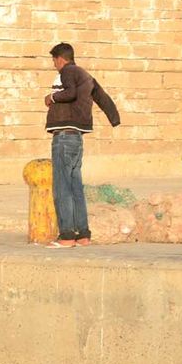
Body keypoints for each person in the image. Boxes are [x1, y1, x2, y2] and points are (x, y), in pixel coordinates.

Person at [44, 42, 121, 246]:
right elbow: (102, 98)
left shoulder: (68, 71)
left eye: (54, 60)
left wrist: (51, 97)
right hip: (77, 137)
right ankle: (83, 234)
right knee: (75, 187)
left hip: (64, 137)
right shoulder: (86, 76)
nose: (54, 65)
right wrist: (115, 119)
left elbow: (70, 93)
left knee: (62, 187)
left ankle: (67, 235)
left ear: (60, 58)